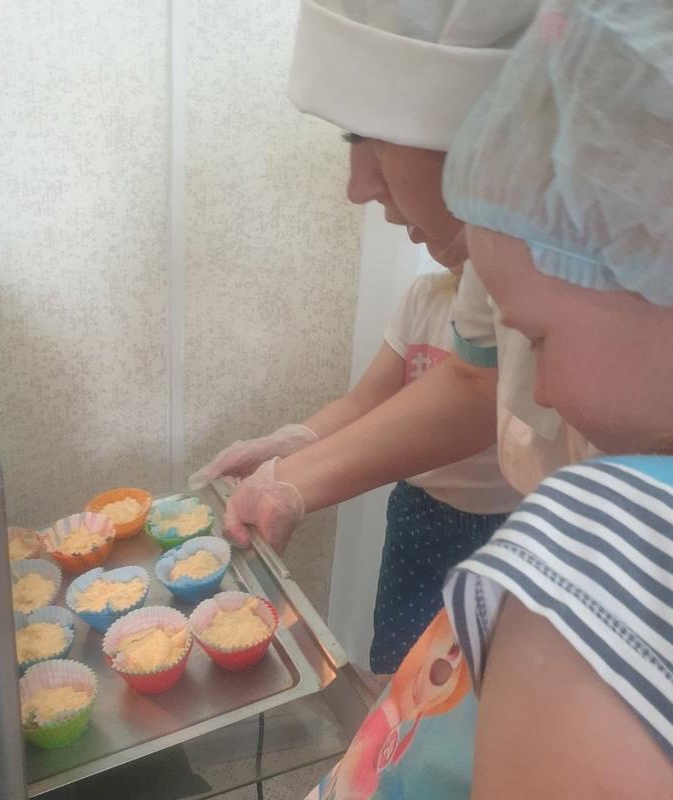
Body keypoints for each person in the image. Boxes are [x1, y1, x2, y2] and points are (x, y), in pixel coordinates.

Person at [307, 1, 673, 797]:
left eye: (536, 340)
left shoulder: (597, 552)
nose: (538, 391)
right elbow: (471, 377)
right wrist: (292, 472)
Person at [191, 0, 539, 672]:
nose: (357, 188)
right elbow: (473, 379)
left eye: (368, 135)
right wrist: (289, 463)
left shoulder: (553, 254)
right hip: (421, 524)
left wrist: (290, 479)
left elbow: (481, 386)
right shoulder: (476, 265)